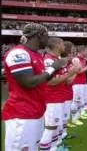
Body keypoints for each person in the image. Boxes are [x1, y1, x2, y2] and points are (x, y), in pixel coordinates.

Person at [3, 23, 66, 151]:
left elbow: (43, 79)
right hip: (22, 114)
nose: (47, 40)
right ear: (39, 36)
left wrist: (54, 69)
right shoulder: (19, 53)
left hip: (36, 111)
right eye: (46, 36)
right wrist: (53, 67)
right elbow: (28, 82)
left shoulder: (36, 55)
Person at [40, 38, 80, 151]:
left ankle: (55, 146)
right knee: (51, 126)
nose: (64, 46)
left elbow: (67, 81)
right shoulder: (49, 60)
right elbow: (51, 82)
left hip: (59, 97)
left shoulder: (57, 59)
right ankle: (48, 148)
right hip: (52, 98)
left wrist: (74, 71)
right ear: (57, 45)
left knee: (56, 125)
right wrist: (73, 71)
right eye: (62, 43)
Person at [71, 49, 87, 126]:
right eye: (85, 51)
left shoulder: (84, 59)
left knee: (81, 100)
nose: (86, 52)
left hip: (82, 82)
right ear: (81, 51)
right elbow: (78, 71)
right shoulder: (76, 59)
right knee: (76, 100)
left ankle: (78, 115)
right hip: (76, 83)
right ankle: (74, 119)